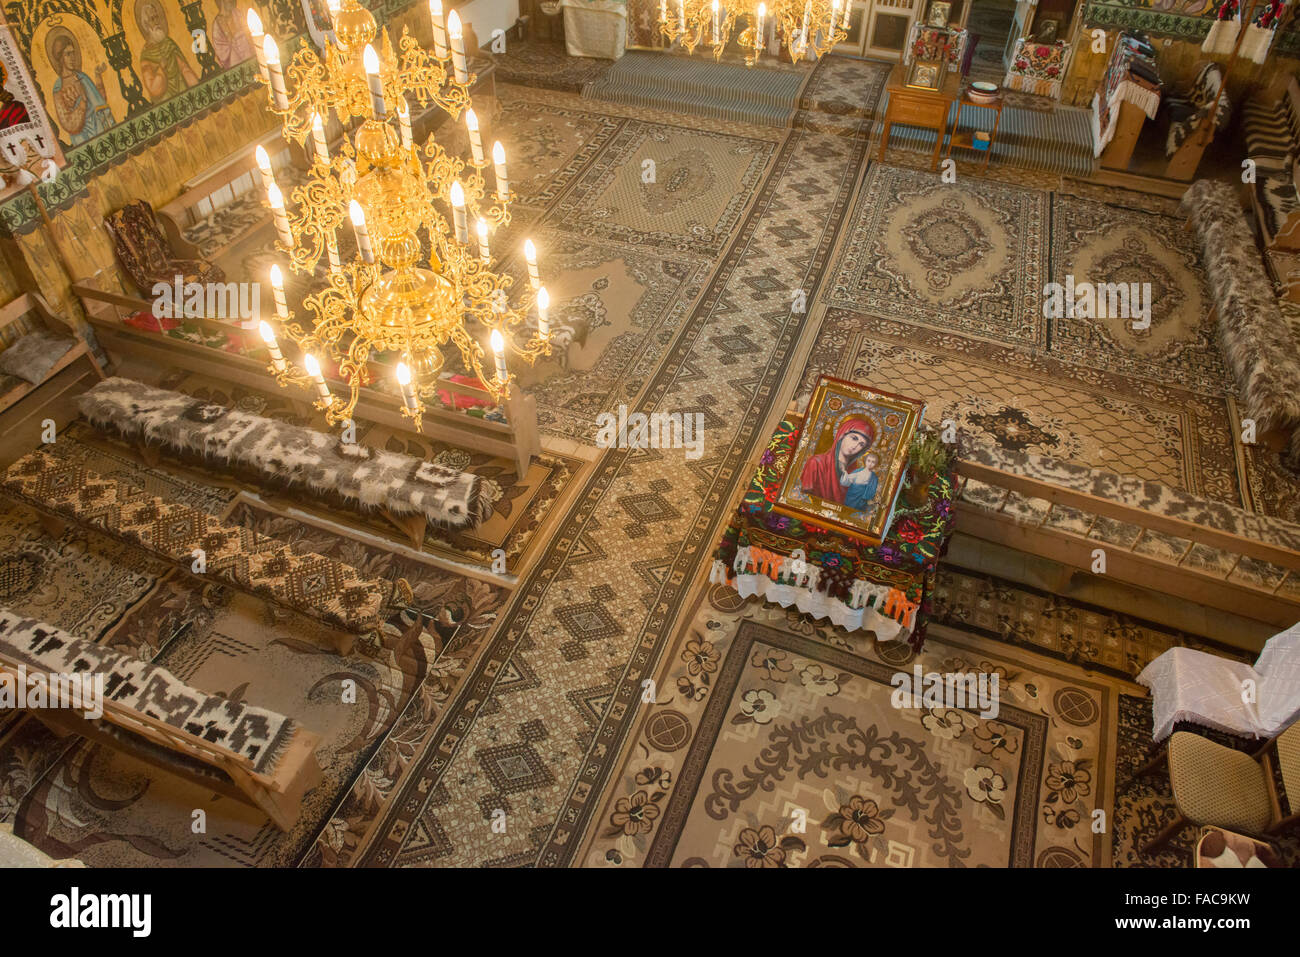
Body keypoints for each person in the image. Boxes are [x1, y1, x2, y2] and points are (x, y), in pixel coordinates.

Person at [49, 33, 115, 145]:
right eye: (68, 54)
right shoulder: (58, 88)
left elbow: (100, 101)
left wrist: (98, 76)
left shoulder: (82, 76)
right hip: (83, 137)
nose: (72, 58)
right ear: (60, 58)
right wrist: (82, 103)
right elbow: (67, 123)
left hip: (101, 126)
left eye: (73, 53)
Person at [799, 415, 874, 505]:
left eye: (861, 444)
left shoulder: (856, 474)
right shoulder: (816, 463)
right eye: (854, 438)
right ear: (842, 435)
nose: (855, 446)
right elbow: (802, 499)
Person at [137, 0, 197, 102]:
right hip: (166, 103)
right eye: (152, 19)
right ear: (146, 25)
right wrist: (161, 69)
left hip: (185, 93)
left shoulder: (169, 43)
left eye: (157, 17)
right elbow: (153, 89)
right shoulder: (146, 55)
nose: (157, 22)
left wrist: (196, 86)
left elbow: (184, 68)